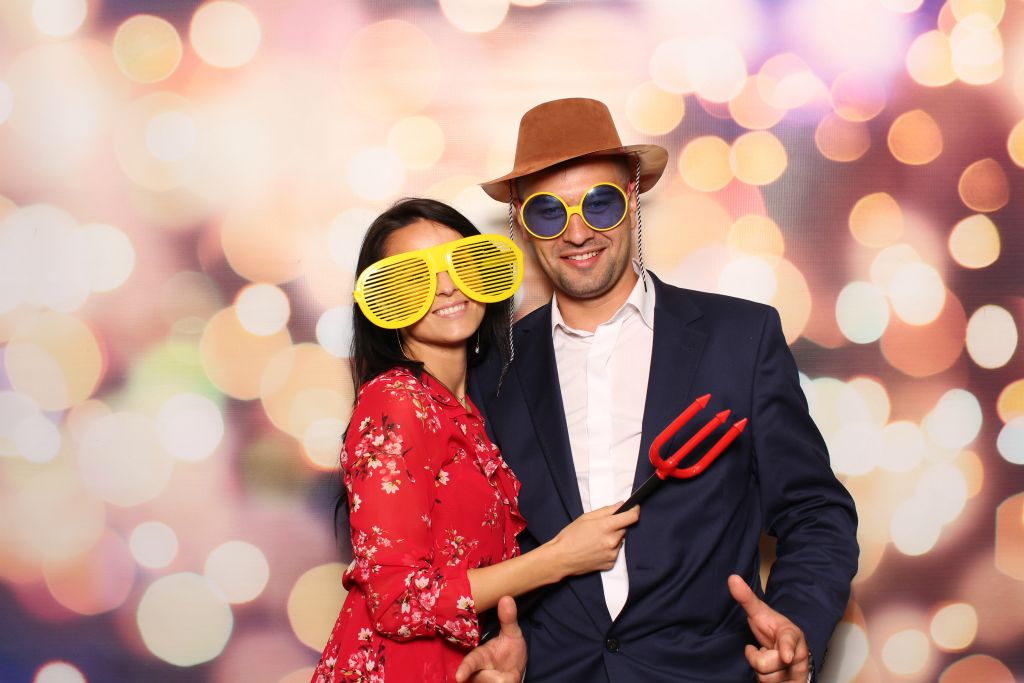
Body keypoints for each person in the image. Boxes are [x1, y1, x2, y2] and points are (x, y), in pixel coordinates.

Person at [468, 98, 859, 682]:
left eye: (600, 203)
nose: (577, 232)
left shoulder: (740, 339)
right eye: (548, 212)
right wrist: (492, 642)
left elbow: (815, 513)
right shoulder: (491, 372)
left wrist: (794, 624)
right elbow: (469, 546)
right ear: (521, 222)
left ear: (631, 199)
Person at [311, 197, 639, 683]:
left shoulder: (471, 407)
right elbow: (397, 599)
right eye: (413, 277)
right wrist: (561, 558)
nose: (446, 287)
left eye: (461, 264)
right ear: (385, 301)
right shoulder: (396, 401)